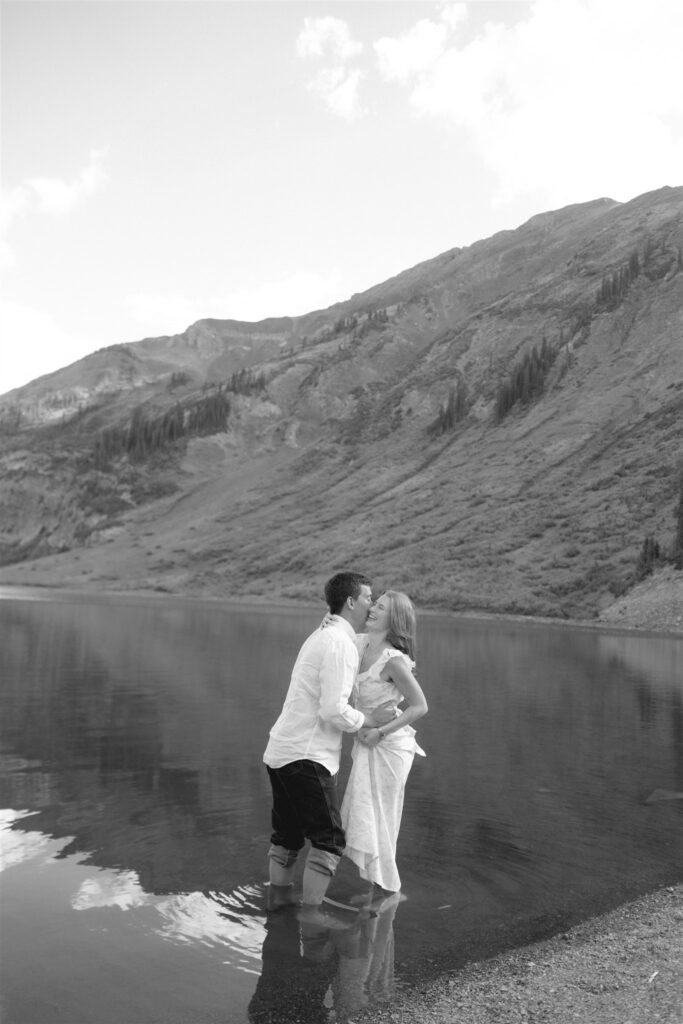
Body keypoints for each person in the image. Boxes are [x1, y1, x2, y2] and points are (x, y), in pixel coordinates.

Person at [263, 572, 396, 913]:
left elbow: (362, 639)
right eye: (368, 598)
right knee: (329, 842)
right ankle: (310, 917)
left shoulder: (325, 634)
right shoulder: (338, 643)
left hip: (282, 751)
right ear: (351, 601)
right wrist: (370, 720)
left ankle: (278, 905)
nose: (371, 604)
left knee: (288, 837)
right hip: (307, 756)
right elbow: (333, 710)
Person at [341, 590, 427, 894]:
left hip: (389, 746)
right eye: (375, 604)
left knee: (382, 822)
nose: (374, 609)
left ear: (395, 620)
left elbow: (420, 706)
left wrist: (381, 731)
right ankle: (375, 896)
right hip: (367, 739)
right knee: (366, 818)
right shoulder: (359, 642)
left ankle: (390, 890)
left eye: (382, 608)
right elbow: (334, 638)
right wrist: (329, 621)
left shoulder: (393, 661)